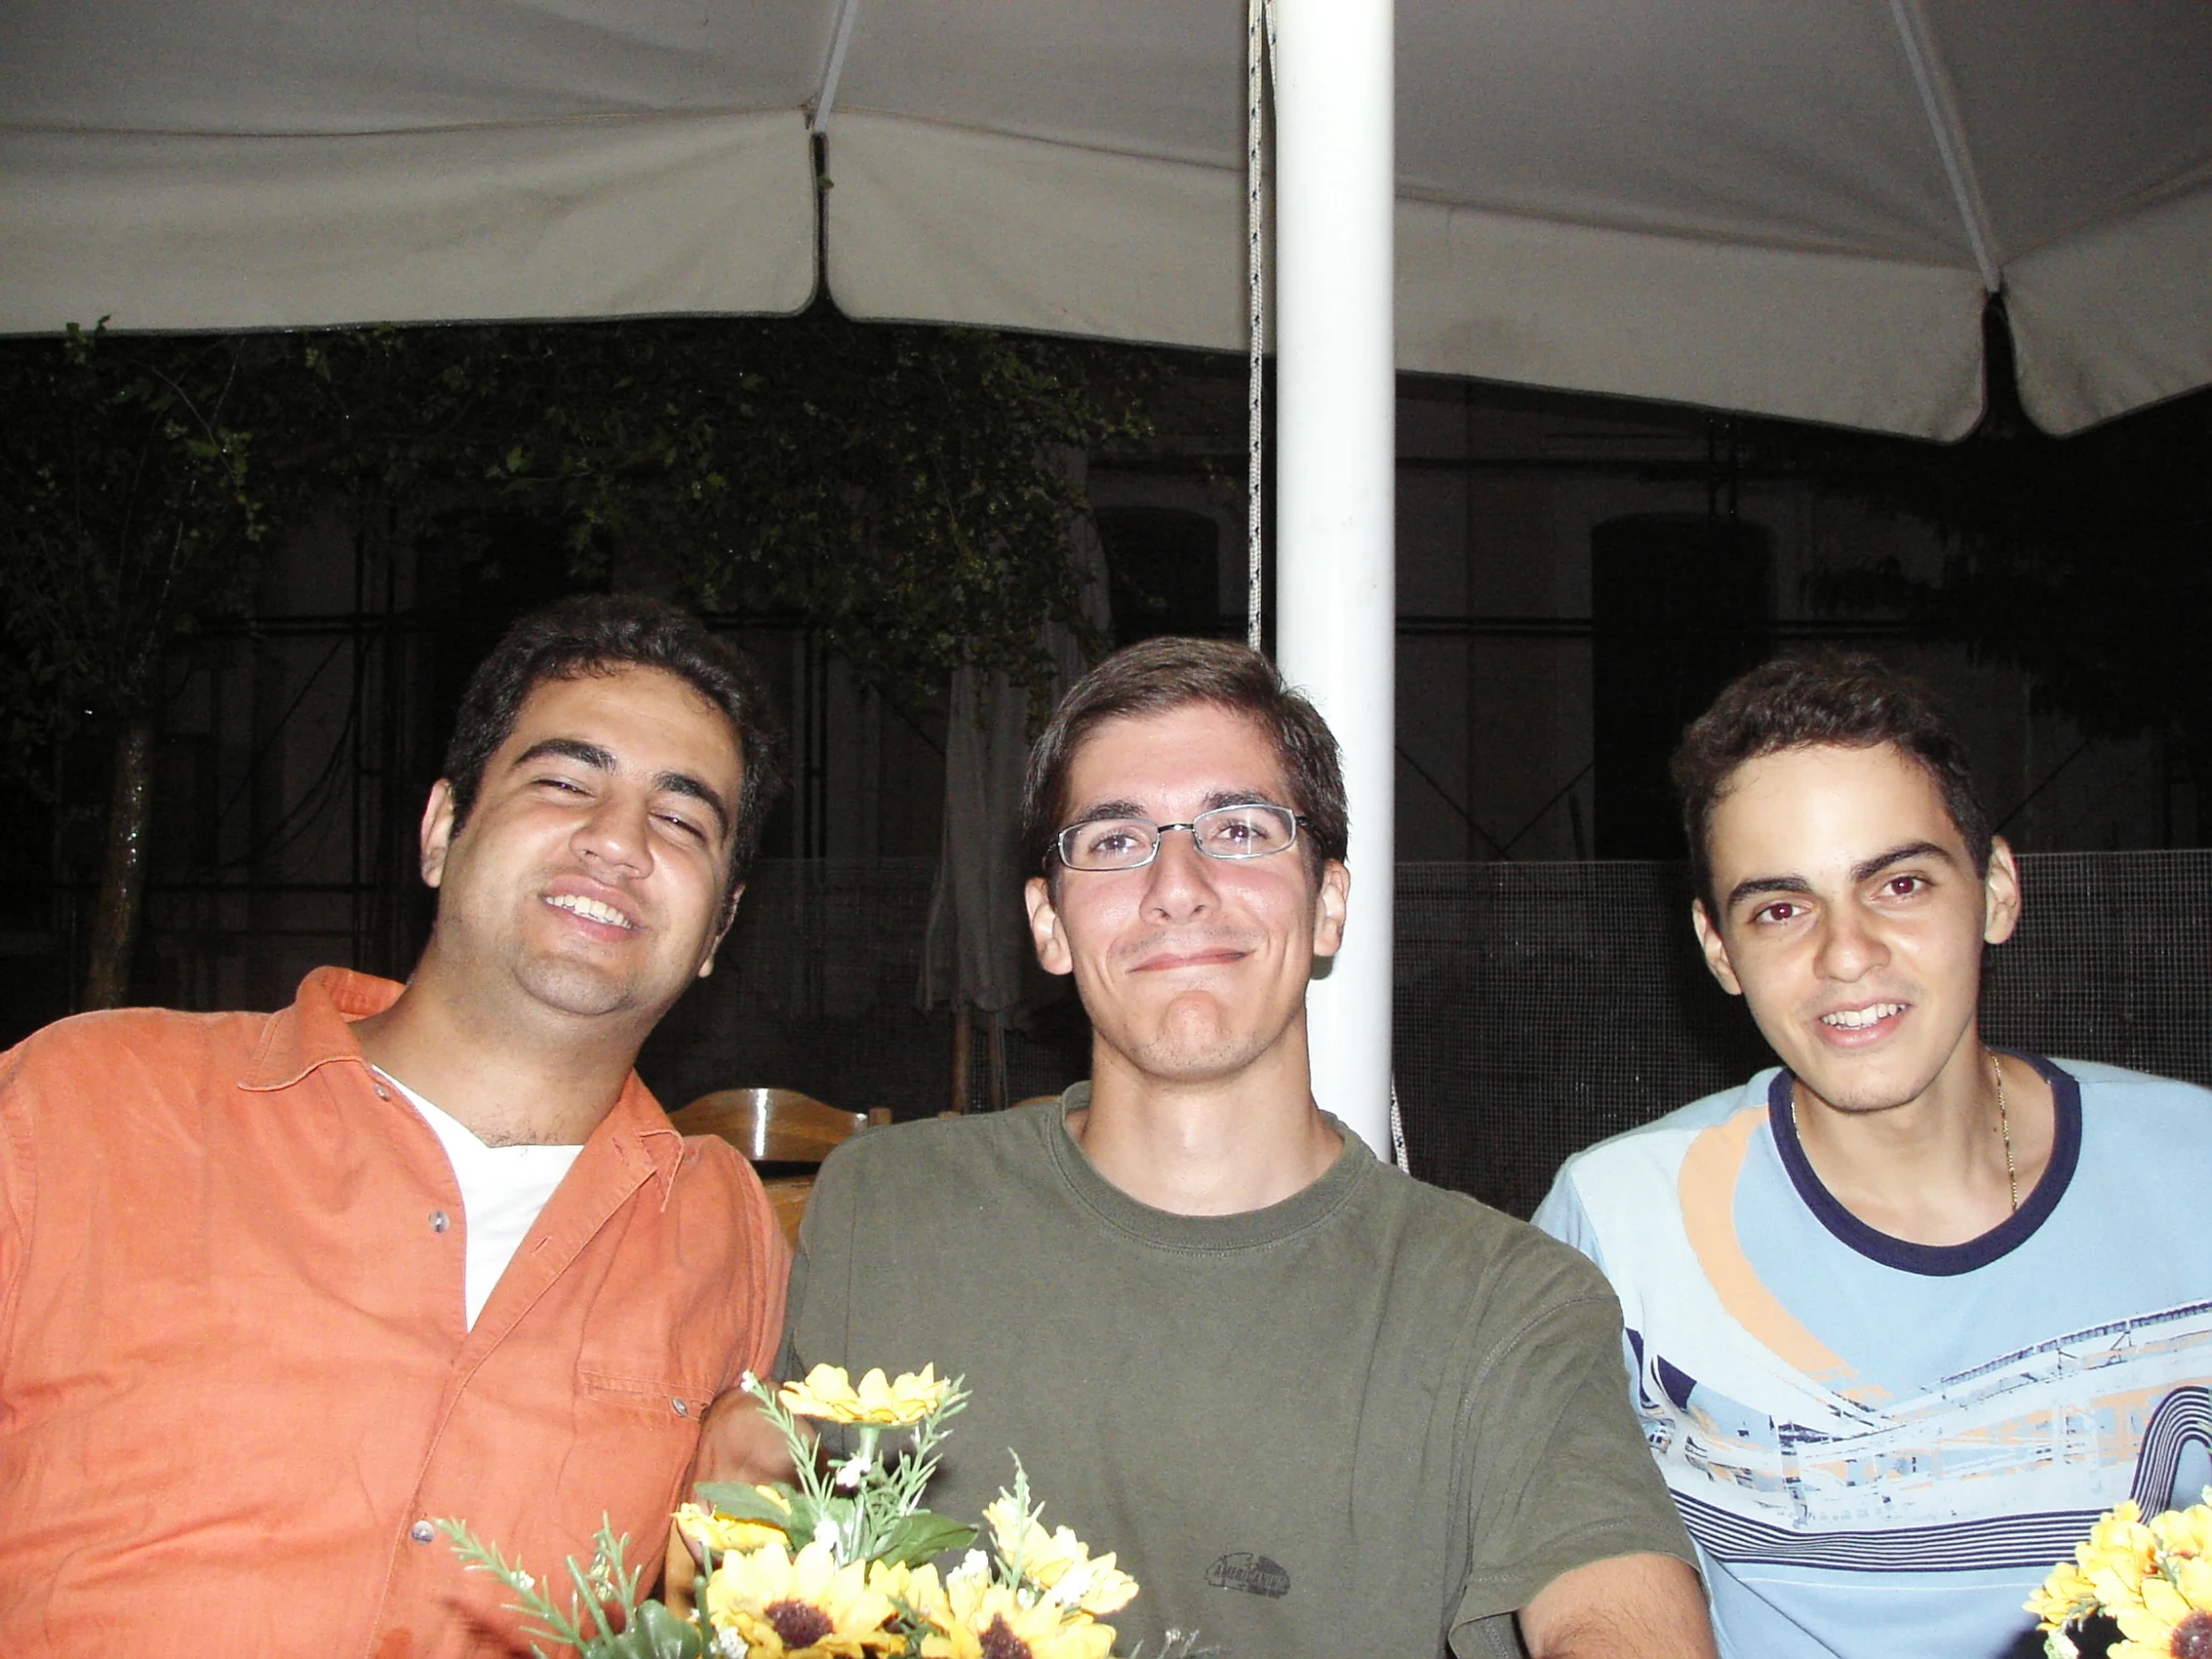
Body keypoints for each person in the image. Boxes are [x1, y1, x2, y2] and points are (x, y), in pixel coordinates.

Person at [782, 637, 1714, 1659]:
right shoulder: (887, 1212)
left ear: (1327, 903)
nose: (1176, 884)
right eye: (1112, 840)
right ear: (1047, 925)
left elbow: (1617, 1615)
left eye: (1237, 828)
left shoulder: (1508, 1304)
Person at [0, 595, 794, 1657]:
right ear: (439, 831)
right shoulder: (87, 1104)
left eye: (682, 820)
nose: (616, 842)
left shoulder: (721, 1234)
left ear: (718, 930)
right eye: (564, 781)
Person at [1534, 654, 2212, 1659]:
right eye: (1778, 908)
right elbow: (1575, 1573)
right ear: (1716, 950)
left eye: (1897, 883)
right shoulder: (1620, 1220)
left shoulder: (2192, 1171)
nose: (1843, 953)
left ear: (1993, 892)